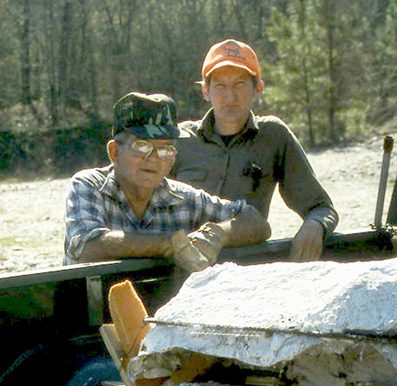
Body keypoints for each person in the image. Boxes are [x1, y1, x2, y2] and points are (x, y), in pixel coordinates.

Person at [64, 92, 270, 272]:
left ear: (172, 159)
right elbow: (87, 248)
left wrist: (217, 235)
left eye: (164, 149)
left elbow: (255, 222)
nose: (153, 158)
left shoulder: (184, 198)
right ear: (114, 152)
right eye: (142, 146)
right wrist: (169, 243)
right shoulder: (89, 186)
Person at [173, 39, 339, 262]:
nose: (230, 97)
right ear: (205, 91)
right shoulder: (179, 140)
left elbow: (321, 208)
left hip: (246, 269)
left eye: (240, 84)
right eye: (220, 86)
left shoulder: (272, 136)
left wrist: (315, 225)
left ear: (258, 88)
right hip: (183, 269)